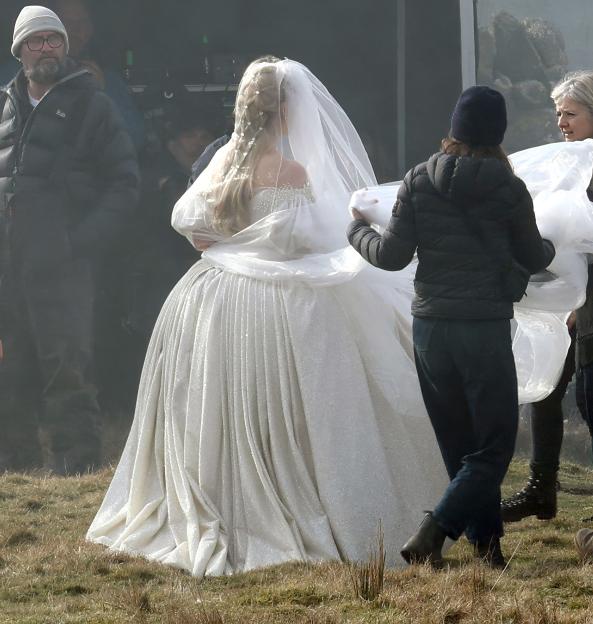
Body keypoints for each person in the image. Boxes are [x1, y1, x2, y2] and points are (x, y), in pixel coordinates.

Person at [87, 57, 450, 576]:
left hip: (213, 301)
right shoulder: (291, 172)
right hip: (275, 304)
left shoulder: (222, 161)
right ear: (285, 111)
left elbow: (190, 224)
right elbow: (310, 240)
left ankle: (216, 495)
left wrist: (230, 248)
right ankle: (290, 494)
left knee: (219, 407)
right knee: (298, 409)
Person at [348, 86, 556, 567]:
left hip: (430, 328)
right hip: (482, 328)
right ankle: (433, 530)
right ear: (498, 133)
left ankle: (489, 549)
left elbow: (391, 255)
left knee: (460, 443)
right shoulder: (509, 188)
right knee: (496, 445)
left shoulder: (419, 180)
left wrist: (355, 228)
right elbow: (532, 256)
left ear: (454, 129)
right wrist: (549, 245)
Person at [0, 5, 139, 474]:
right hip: (8, 263)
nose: (46, 48)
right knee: (8, 368)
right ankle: (13, 469)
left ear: (66, 46)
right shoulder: (6, 104)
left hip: (65, 266)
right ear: (19, 50)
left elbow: (124, 183)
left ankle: (75, 469)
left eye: (54, 40)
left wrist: (79, 244)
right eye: (36, 40)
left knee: (69, 371)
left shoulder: (94, 105)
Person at [501, 70, 593, 523]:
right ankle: (541, 487)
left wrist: (580, 299)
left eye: (571, 114)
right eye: (558, 113)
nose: (562, 122)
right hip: (566, 298)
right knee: (549, 388)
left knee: (586, 399)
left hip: (586, 302)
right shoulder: (568, 162)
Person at [0, 0, 146, 151]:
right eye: (66, 22)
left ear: (91, 29)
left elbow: (135, 139)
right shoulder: (12, 76)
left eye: (82, 22)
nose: (75, 30)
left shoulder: (106, 80)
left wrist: (103, 96)